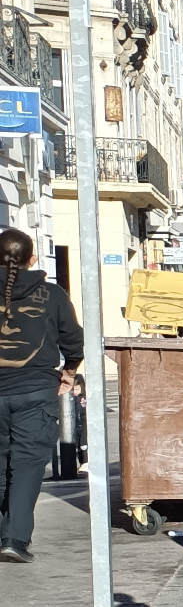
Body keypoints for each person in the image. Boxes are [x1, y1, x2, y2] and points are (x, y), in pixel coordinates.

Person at [0, 227, 82, 562]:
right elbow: (73, 341)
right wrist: (70, 372)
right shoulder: (52, 294)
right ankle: (14, 539)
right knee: (28, 465)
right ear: (32, 259)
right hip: (35, 390)